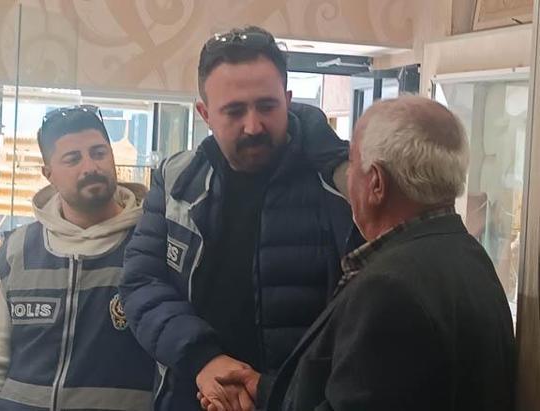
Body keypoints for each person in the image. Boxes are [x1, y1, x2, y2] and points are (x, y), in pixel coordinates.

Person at [220, 96, 515, 411]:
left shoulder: (390, 290)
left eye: (351, 163)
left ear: (376, 183)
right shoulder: (468, 254)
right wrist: (263, 390)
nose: (347, 177)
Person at [119, 26, 357, 411]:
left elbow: (361, 315)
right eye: (234, 111)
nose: (253, 126)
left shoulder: (338, 186)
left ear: (288, 101)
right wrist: (204, 359)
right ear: (205, 114)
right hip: (193, 394)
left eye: (267, 106)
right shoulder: (177, 181)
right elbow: (141, 283)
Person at [0, 105, 154, 411]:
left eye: (99, 153)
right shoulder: (16, 253)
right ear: (48, 174)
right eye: (73, 159)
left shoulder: (151, 245)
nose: (90, 166)